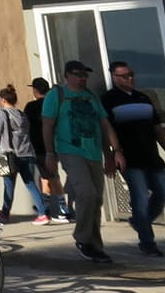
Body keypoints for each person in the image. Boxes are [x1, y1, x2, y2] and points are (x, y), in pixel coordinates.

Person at [40, 59, 121, 264]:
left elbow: (104, 125)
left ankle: (95, 245)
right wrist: (50, 153)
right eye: (78, 74)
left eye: (85, 75)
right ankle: (82, 238)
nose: (82, 78)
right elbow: (47, 125)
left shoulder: (91, 97)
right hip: (70, 151)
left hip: (93, 152)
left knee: (96, 200)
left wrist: (112, 153)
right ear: (67, 75)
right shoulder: (56, 95)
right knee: (87, 192)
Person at [103, 60, 165, 257]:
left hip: (151, 157)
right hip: (129, 159)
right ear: (114, 78)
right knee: (140, 199)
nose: (129, 79)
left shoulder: (145, 98)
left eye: (131, 74)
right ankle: (147, 242)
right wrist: (112, 155)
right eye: (124, 76)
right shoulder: (108, 100)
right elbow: (105, 131)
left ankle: (139, 222)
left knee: (164, 192)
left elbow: (157, 129)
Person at [0, 83, 49, 224]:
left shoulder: (2, 114)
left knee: (9, 184)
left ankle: (5, 212)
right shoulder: (22, 114)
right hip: (27, 153)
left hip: (10, 155)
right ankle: (43, 213)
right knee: (30, 183)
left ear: (3, 100)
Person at [22, 76, 70, 222]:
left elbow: (25, 127)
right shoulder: (54, 104)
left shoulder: (31, 107)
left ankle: (63, 209)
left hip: (41, 147)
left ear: (35, 90)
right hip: (56, 144)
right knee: (45, 177)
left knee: (52, 176)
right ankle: (46, 206)